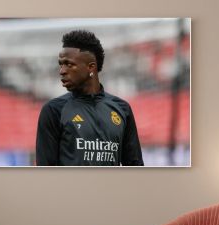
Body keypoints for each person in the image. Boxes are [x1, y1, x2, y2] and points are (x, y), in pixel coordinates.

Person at [36, 30, 144, 166]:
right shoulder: (53, 110)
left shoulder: (122, 109)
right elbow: (45, 171)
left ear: (91, 67)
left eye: (69, 64)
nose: (62, 71)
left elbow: (135, 166)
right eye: (61, 64)